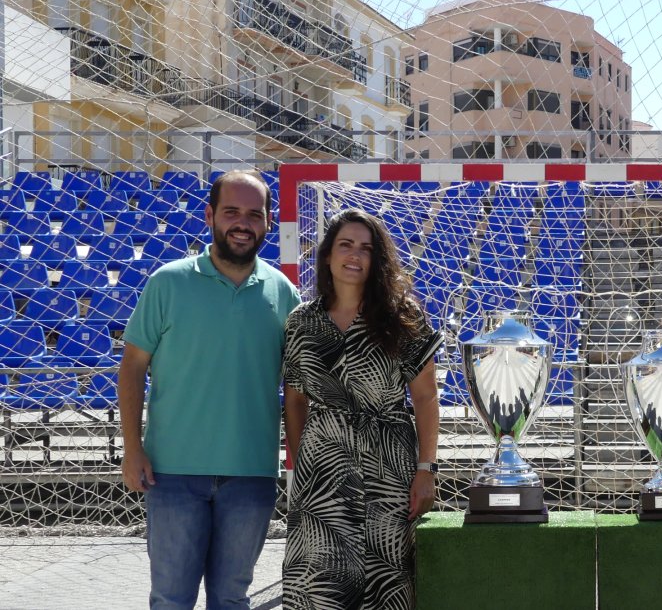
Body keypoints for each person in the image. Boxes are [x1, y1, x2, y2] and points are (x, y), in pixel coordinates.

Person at [118, 169, 301, 609]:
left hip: (251, 475)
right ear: (209, 216)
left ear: (268, 223)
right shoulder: (168, 282)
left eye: (254, 214)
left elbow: (298, 390)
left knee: (231, 600)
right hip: (173, 473)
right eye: (231, 211)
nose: (243, 223)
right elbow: (131, 369)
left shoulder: (284, 293)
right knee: (171, 600)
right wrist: (131, 448)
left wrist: (303, 463)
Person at [282, 208, 442, 609]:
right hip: (321, 475)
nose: (355, 255)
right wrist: (303, 463)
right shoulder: (302, 322)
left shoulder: (402, 316)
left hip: (388, 470)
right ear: (328, 255)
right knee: (320, 584)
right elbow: (296, 400)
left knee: (386, 583)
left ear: (377, 259)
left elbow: (425, 397)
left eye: (366, 248)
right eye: (346, 245)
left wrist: (426, 470)